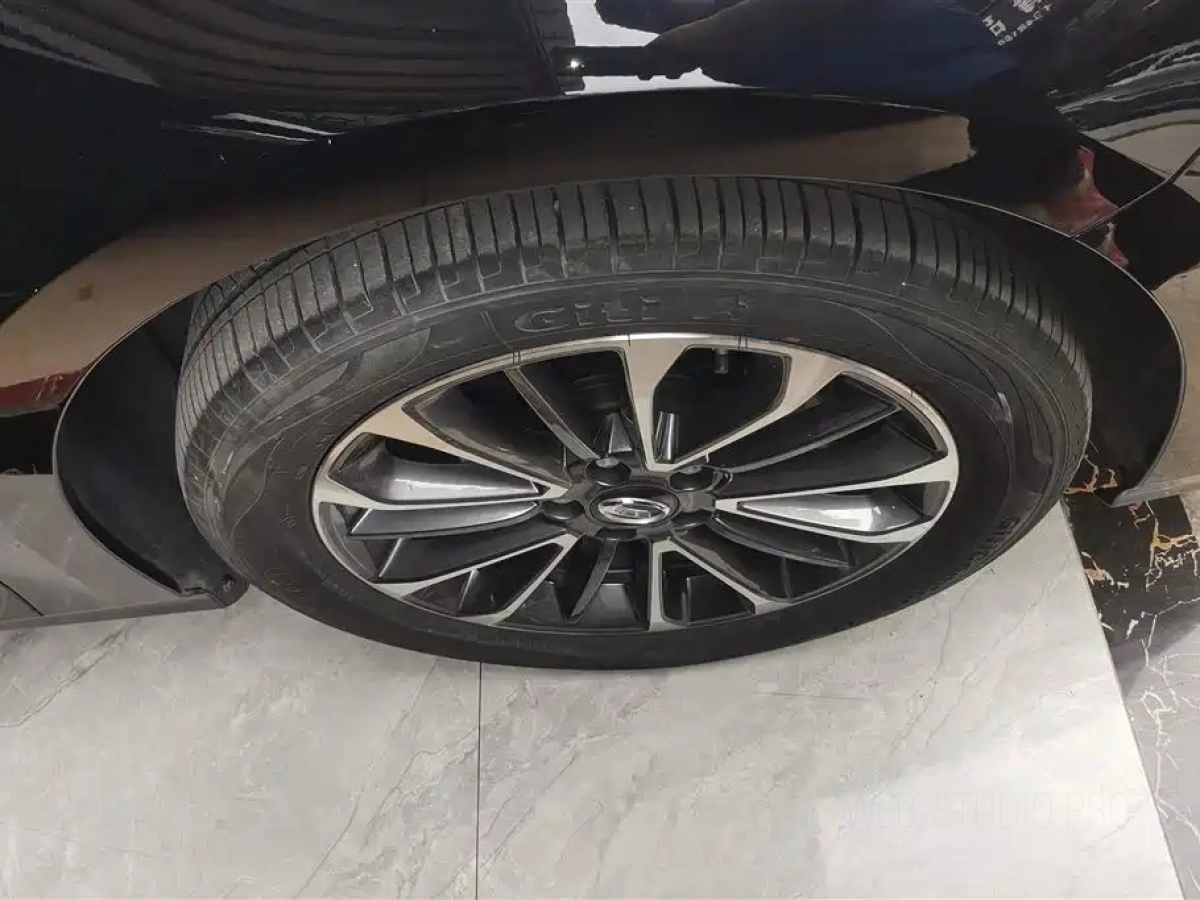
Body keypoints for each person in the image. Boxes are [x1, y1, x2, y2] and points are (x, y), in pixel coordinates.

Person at [596, 0, 1126, 265]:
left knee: (942, 222)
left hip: (983, 87)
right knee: (924, 226)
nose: (657, 24)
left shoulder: (736, 32)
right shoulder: (729, 52)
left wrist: (687, 42)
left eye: (654, 13)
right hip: (960, 108)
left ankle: (1090, 235)